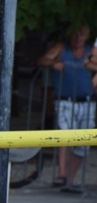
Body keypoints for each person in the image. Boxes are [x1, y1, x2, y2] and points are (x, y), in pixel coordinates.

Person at [38, 24, 97, 193]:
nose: (78, 38)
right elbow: (42, 60)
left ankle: (69, 179)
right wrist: (54, 62)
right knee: (65, 134)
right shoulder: (62, 48)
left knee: (83, 141)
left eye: (82, 35)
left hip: (86, 101)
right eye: (76, 34)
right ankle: (62, 174)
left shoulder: (91, 52)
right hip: (65, 99)